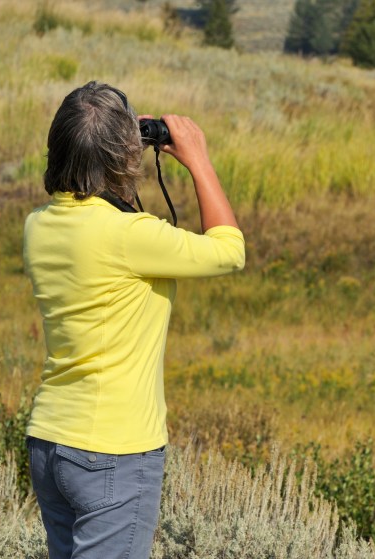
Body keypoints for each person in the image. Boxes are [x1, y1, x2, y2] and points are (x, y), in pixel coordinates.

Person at [22, 81, 245, 559]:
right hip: (115, 450)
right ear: (126, 155)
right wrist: (198, 159)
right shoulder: (128, 236)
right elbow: (230, 251)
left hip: (50, 441)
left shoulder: (38, 224)